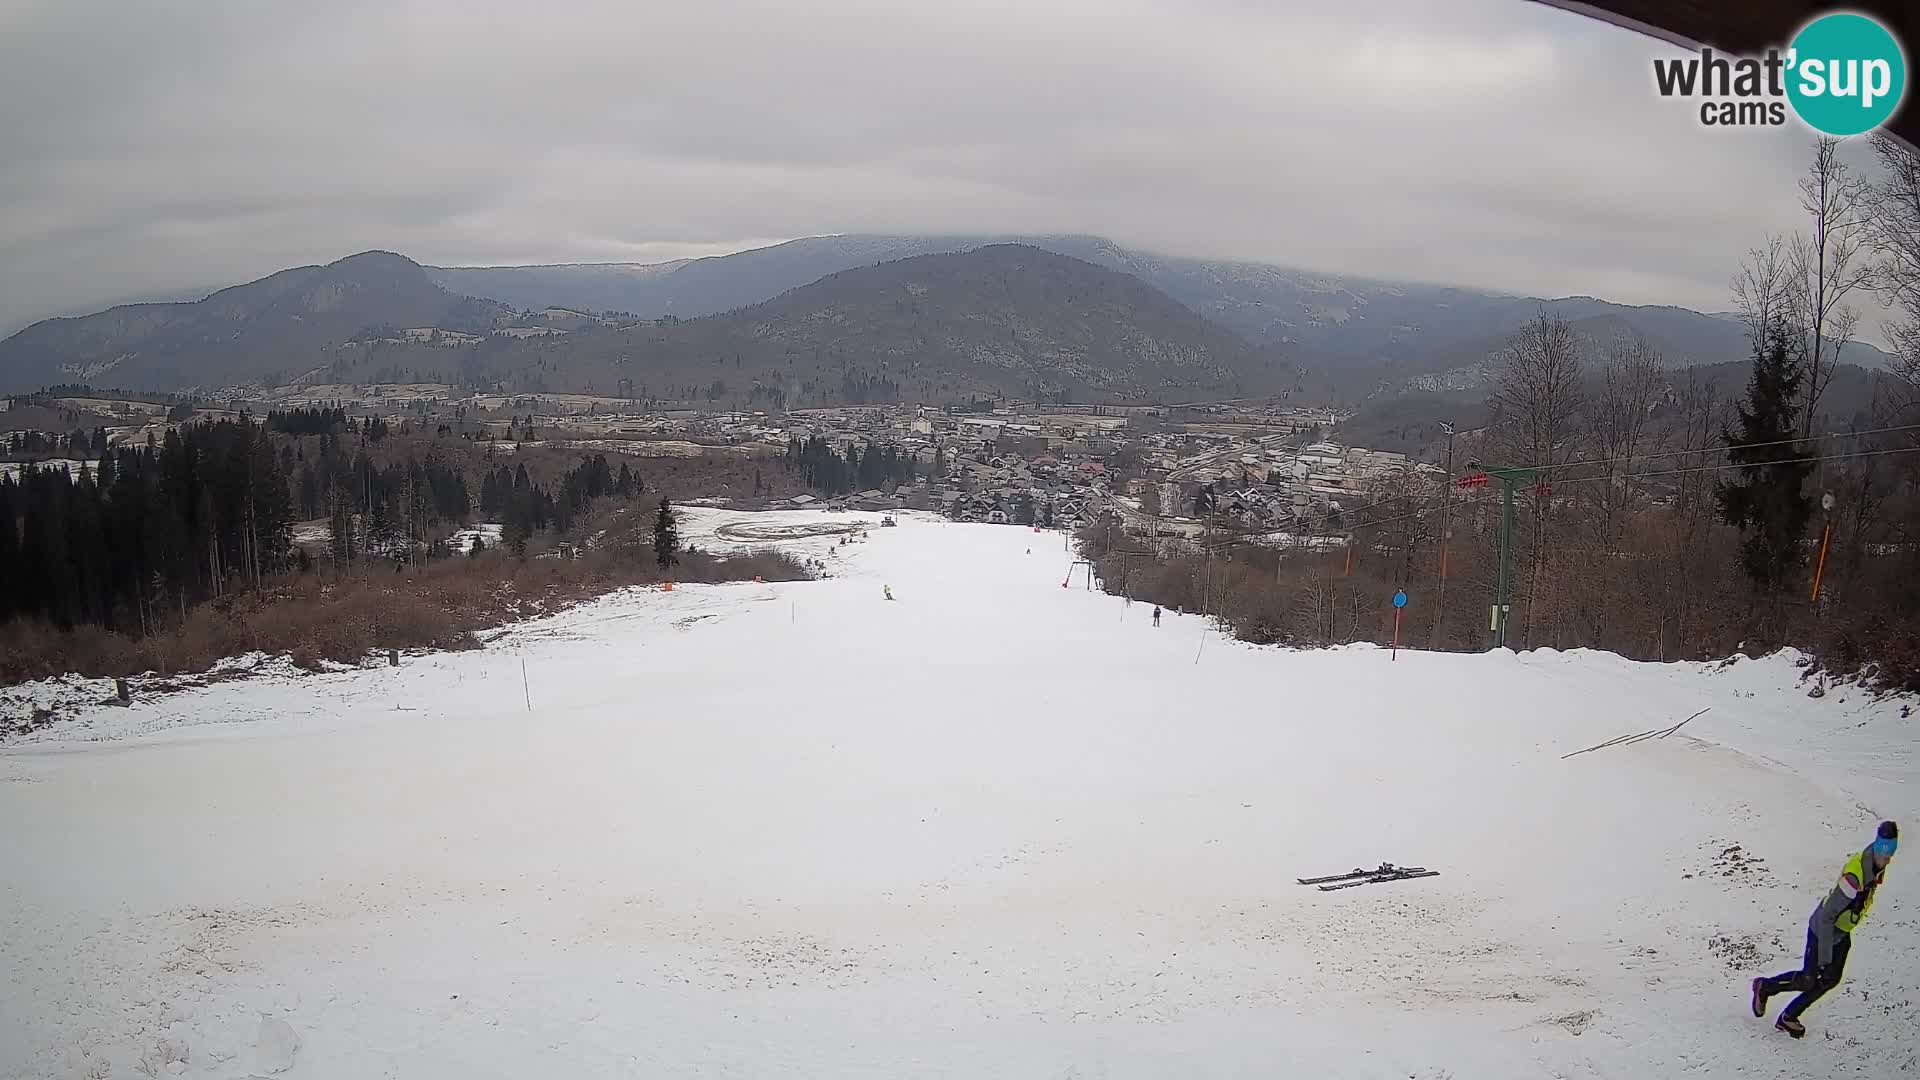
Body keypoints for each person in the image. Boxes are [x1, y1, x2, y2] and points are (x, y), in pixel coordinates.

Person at [1753, 821, 1897, 1038]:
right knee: (1809, 979)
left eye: (1890, 855)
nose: (1888, 860)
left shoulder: (1875, 867)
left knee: (1829, 979)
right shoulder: (1855, 877)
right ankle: (1765, 987)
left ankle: (1788, 1017)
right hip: (1823, 931)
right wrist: (1825, 956)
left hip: (1841, 933)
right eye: (1885, 855)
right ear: (1878, 849)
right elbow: (1828, 916)